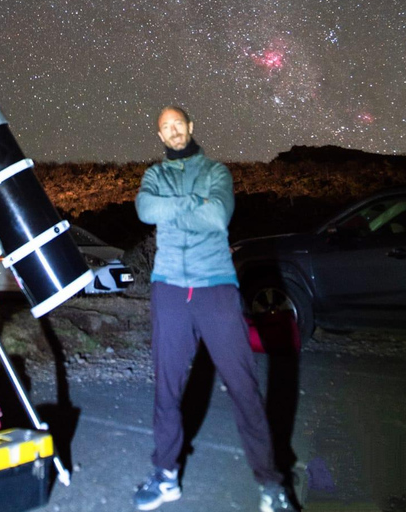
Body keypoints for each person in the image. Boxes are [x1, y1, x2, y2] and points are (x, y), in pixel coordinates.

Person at [132, 106, 296, 512]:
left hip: (216, 286)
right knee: (167, 388)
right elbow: (146, 210)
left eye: (178, 125)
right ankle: (165, 475)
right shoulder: (154, 176)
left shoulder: (217, 172)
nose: (172, 132)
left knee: (243, 386)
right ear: (160, 135)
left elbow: (218, 215)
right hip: (169, 286)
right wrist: (193, 202)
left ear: (191, 126)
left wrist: (180, 205)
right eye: (164, 128)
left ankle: (271, 484)